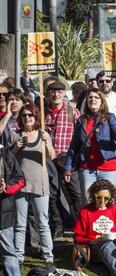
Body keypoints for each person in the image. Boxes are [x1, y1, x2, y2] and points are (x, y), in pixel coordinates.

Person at [65, 89, 116, 204]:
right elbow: (74, 145)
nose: (93, 100)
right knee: (88, 203)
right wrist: (68, 166)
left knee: (108, 204)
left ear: (101, 101)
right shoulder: (81, 120)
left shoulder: (110, 118)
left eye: (96, 97)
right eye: (90, 98)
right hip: (87, 169)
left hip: (107, 168)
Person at [12, 103, 55, 266]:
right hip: (20, 184)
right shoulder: (17, 136)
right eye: (24, 115)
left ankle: (48, 257)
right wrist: (16, 148)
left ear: (36, 117)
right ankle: (18, 256)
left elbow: (52, 156)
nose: (27, 118)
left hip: (40, 183)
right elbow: (9, 159)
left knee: (42, 222)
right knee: (20, 223)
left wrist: (47, 142)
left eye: (30, 115)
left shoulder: (43, 134)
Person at [73, 179, 116, 275]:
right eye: (99, 197)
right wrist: (91, 241)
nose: (102, 201)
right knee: (107, 245)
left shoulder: (114, 209)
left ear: (110, 197)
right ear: (93, 195)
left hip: (115, 244)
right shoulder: (85, 211)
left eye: (106, 198)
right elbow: (77, 237)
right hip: (95, 248)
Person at [44, 80, 82, 238]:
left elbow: (80, 135)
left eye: (59, 91)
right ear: (48, 93)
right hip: (48, 159)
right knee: (52, 194)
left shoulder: (72, 111)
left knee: (75, 194)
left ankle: (80, 225)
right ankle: (58, 225)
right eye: (52, 91)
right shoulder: (43, 112)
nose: (55, 94)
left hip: (67, 158)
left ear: (64, 93)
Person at [0, 144, 26, 276]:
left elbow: (20, 179)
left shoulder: (5, 153)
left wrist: (6, 187)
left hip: (3, 213)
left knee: (8, 252)